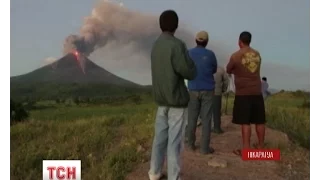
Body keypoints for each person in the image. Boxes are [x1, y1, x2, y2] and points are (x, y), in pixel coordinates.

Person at [148, 10, 197, 180]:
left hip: (161, 100)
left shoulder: (155, 45)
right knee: (174, 142)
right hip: (176, 100)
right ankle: (173, 177)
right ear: (176, 25)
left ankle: (154, 172)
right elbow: (189, 72)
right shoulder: (178, 45)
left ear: (161, 25)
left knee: (159, 138)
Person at [226, 31, 266, 156]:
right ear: (250, 41)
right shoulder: (257, 54)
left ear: (239, 42)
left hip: (243, 93)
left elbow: (228, 69)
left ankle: (246, 150)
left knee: (245, 122)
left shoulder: (235, 56)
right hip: (257, 91)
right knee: (260, 121)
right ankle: (260, 147)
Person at [186, 31, 218, 154]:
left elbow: (186, 68)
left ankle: (190, 145)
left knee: (192, 118)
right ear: (206, 41)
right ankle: (204, 148)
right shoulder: (211, 54)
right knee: (206, 119)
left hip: (193, 88)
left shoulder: (188, 53)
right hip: (208, 89)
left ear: (196, 40)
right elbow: (214, 69)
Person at [212, 66, 229, 134]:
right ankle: (217, 128)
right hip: (217, 92)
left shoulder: (203, 66)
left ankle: (207, 128)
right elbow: (226, 81)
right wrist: (223, 89)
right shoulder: (220, 69)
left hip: (205, 91)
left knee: (206, 111)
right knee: (216, 111)